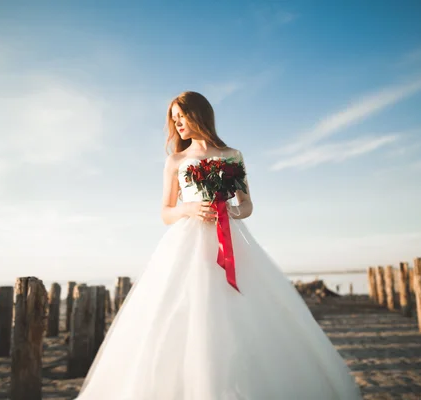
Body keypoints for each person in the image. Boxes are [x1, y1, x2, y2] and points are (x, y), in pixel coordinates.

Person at [75, 91, 363, 399]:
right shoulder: (175, 160)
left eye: (181, 116)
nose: (177, 123)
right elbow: (165, 212)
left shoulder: (232, 155)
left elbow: (248, 204)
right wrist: (189, 209)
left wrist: (230, 211)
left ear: (198, 114)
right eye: (173, 119)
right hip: (187, 243)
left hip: (231, 239)